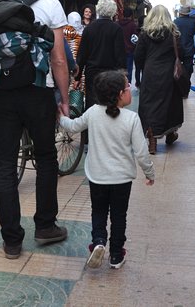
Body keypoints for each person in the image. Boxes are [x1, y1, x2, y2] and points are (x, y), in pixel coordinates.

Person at [0, 0, 71, 259]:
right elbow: (58, 59)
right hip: (38, 91)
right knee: (46, 158)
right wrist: (63, 98)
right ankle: (46, 227)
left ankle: (11, 240)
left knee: (6, 163)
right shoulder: (50, 4)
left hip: (1, 91)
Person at [58, 70, 155, 270]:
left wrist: (60, 118)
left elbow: (74, 126)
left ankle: (99, 241)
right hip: (121, 179)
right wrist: (149, 173)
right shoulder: (131, 118)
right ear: (120, 94)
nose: (130, 89)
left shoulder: (93, 112)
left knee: (98, 211)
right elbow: (141, 152)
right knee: (119, 216)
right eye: (128, 87)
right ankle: (117, 255)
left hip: (97, 177)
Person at [135, 5, 184, 154]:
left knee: (149, 106)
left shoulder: (144, 34)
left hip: (150, 74)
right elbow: (180, 53)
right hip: (168, 75)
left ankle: (152, 142)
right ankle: (170, 134)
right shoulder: (173, 34)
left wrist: (139, 73)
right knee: (169, 104)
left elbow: (138, 56)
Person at [77, 0, 126, 109]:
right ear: (113, 11)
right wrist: (122, 76)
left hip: (92, 73)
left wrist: (77, 77)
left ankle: (92, 126)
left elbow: (82, 55)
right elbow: (120, 56)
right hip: (110, 74)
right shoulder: (116, 29)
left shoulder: (89, 28)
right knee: (108, 103)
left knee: (92, 104)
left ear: (98, 9)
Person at [173, 5, 195, 95]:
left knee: (176, 69)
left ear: (180, 12)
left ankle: (178, 88)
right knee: (188, 70)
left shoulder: (175, 22)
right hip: (189, 49)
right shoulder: (192, 22)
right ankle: (185, 89)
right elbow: (193, 32)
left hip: (177, 50)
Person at [117, 8, 139, 82]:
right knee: (128, 70)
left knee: (119, 69)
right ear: (131, 15)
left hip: (119, 50)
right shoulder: (132, 25)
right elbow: (135, 39)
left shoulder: (117, 24)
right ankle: (127, 86)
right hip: (129, 50)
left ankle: (118, 84)